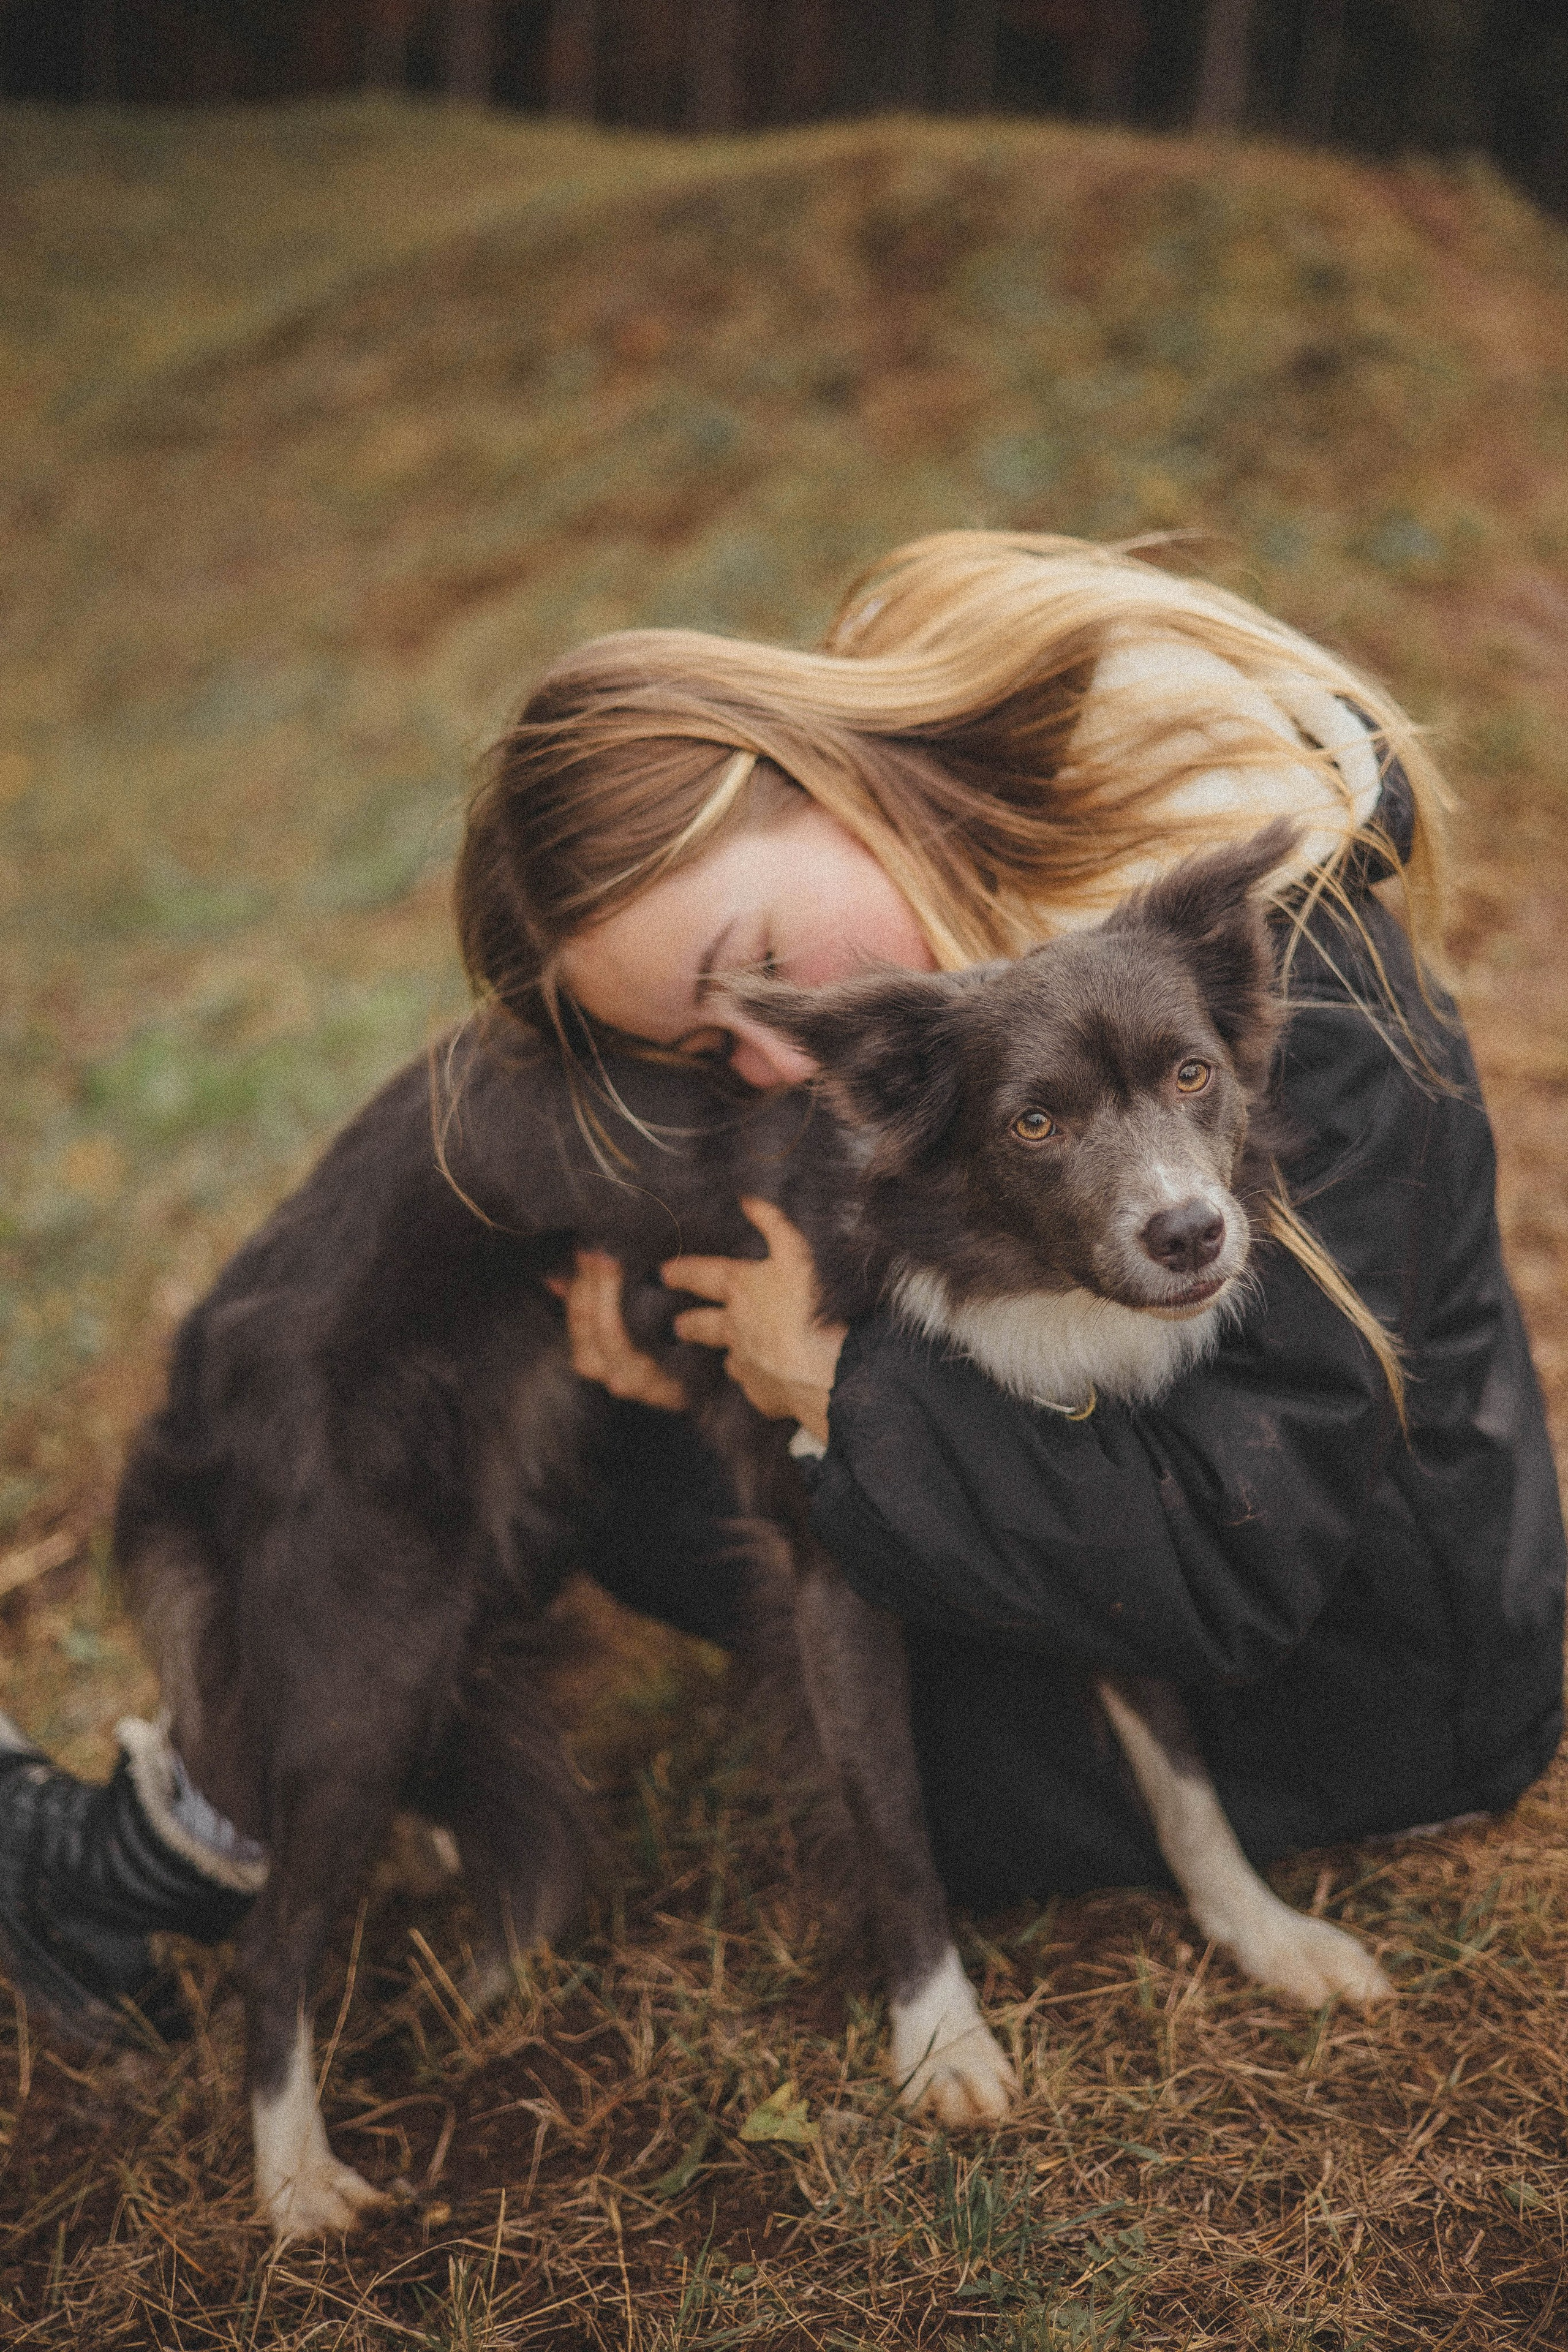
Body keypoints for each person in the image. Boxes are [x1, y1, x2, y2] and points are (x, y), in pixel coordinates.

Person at [1, 532, 1560, 2030]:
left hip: (1351, 1687)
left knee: (684, 1449)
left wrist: (826, 1385)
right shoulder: (952, 917)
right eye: (705, 1040)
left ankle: (207, 1827)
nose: (762, 1062)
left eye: (749, 966)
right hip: (1103, 1512)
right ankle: (233, 1774)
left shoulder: (1288, 989)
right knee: (590, 1327)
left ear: (811, 775)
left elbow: (1233, 1563)